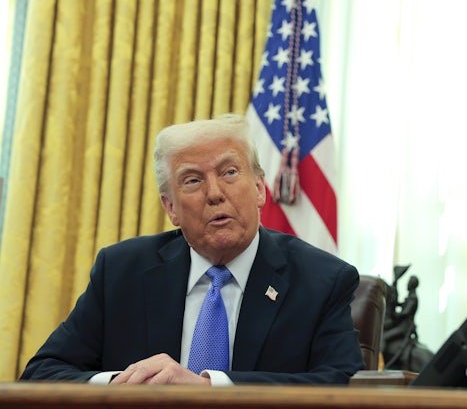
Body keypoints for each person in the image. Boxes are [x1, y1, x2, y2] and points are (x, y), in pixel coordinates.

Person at [20, 114, 365, 385]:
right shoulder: (122, 270)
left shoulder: (321, 280)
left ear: (260, 188)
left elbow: (343, 383)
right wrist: (124, 384)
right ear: (171, 207)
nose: (214, 193)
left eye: (230, 172)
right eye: (193, 180)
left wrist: (210, 387)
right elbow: (42, 373)